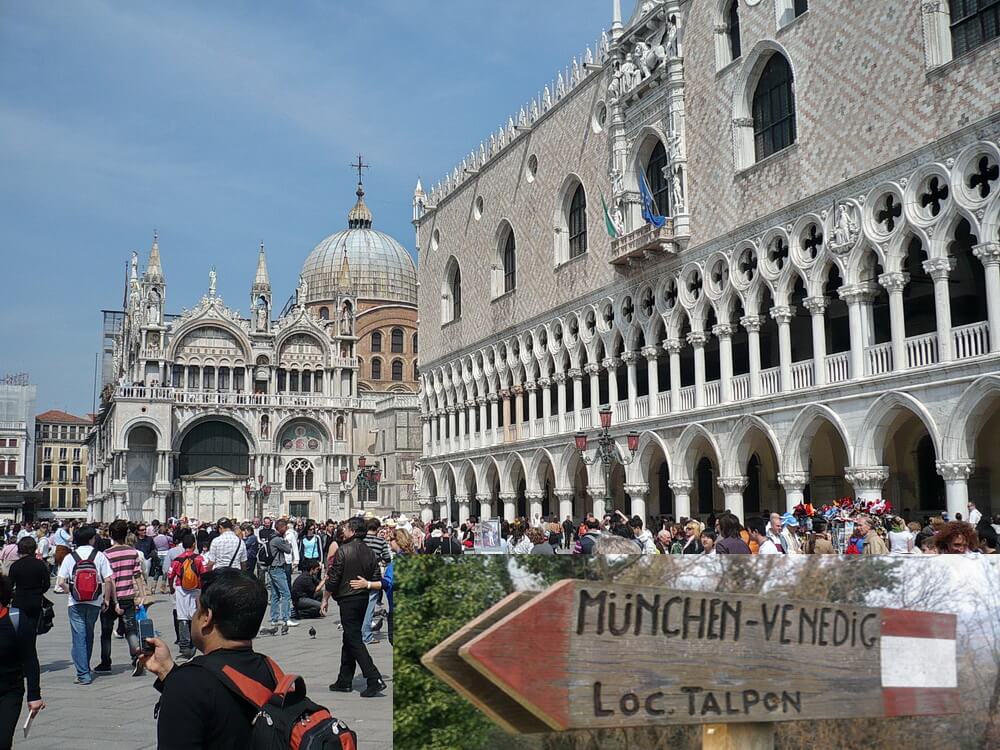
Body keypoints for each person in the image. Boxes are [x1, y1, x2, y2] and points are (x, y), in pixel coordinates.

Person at [141, 569, 282, 749]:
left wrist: (178, 682)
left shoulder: (188, 685)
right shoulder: (271, 670)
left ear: (207, 617)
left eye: (197, 609)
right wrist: (167, 671)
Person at [322, 517, 385, 698]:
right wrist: (365, 584)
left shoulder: (343, 550)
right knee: (349, 636)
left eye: (346, 527)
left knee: (354, 638)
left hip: (347, 598)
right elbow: (376, 576)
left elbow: (333, 578)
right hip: (363, 597)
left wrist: (325, 598)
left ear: (353, 531)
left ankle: (373, 677)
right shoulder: (370, 552)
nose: (343, 530)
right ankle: (344, 679)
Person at [56, 526, 113, 685]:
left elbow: (60, 582)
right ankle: (85, 667)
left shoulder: (70, 557)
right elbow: (108, 580)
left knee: (78, 637)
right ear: (91, 539)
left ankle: (83, 673)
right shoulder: (99, 556)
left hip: (75, 603)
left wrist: (72, 592)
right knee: (89, 634)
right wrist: (106, 599)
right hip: (95, 601)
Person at [97, 519, 147, 677]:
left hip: (112, 597)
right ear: (126, 534)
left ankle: (106, 663)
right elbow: (137, 574)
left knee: (106, 631)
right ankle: (136, 656)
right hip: (128, 596)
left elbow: (108, 579)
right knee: (130, 629)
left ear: (111, 534)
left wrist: (109, 600)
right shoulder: (133, 552)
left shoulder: (106, 554)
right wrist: (142, 594)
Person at [0, 572, 43, 750]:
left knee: (2, 741)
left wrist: (34, 695)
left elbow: (30, 659)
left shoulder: (16, 620)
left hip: (9, 691)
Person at [168, 533, 206, 661]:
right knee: (195, 615)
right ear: (194, 544)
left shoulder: (177, 560)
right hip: (196, 589)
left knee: (182, 616)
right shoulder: (199, 558)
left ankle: (184, 644)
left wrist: (171, 587)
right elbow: (205, 574)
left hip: (181, 589)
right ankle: (196, 640)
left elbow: (170, 575)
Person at [264, 519, 295, 633]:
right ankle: (286, 618)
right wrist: (286, 541)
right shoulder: (278, 539)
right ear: (281, 528)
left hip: (272, 568)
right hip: (277, 568)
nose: (286, 529)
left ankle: (274, 618)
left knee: (275, 594)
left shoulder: (272, 537)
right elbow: (288, 550)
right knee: (286, 593)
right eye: (285, 527)